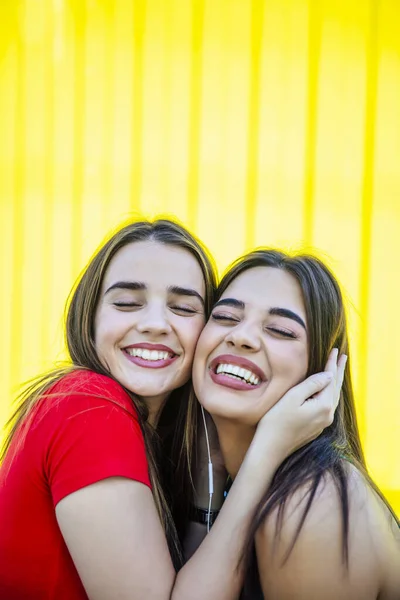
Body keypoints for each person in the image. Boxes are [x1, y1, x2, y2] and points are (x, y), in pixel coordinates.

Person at [0, 220, 344, 599]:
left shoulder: (156, 437)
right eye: (127, 303)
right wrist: (267, 450)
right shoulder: (90, 405)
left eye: (183, 308)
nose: (154, 324)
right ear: (89, 317)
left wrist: (207, 483)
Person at [193, 248, 400, 599]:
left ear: (322, 371)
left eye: (280, 330)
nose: (241, 337)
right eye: (226, 316)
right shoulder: (232, 480)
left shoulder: (313, 502)